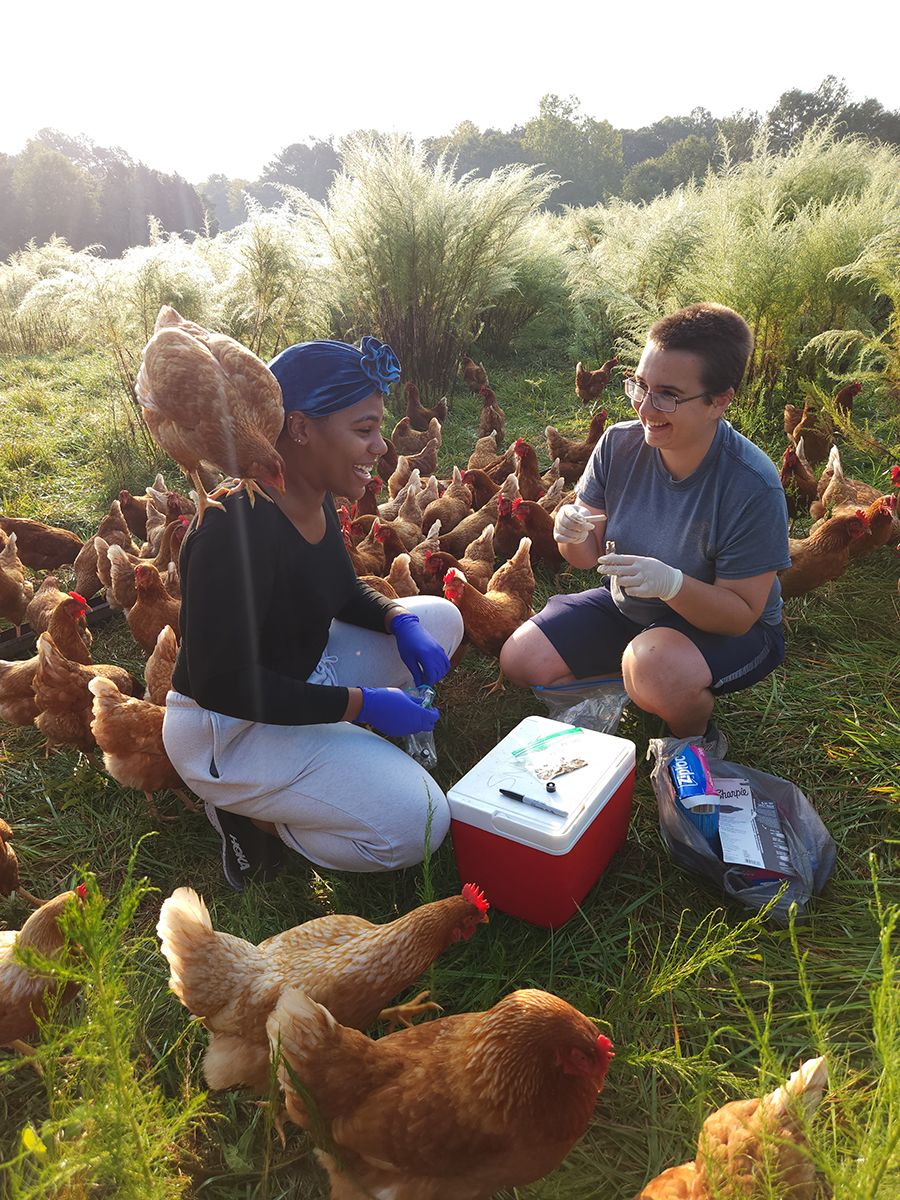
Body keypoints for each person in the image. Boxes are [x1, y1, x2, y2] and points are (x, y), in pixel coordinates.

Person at [162, 336, 464, 889]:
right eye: (364, 429)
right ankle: (252, 813)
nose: (379, 448)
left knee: (440, 619)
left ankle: (318, 772)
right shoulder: (231, 532)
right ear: (301, 429)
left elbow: (340, 590)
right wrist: (360, 704)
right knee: (418, 822)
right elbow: (223, 685)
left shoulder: (312, 492)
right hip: (228, 729)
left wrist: (400, 623)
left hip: (300, 671)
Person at [500, 304, 790, 748]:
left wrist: (673, 584)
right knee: (519, 659)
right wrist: (570, 532)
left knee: (654, 668)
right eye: (639, 385)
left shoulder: (751, 485)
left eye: (668, 395)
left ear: (720, 401)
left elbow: (739, 615)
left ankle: (693, 736)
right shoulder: (618, 443)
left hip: (727, 627)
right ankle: (638, 682)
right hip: (632, 607)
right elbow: (585, 557)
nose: (645, 407)